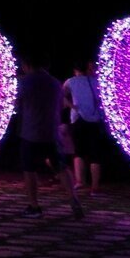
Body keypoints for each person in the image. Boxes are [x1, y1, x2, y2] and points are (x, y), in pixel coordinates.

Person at [17, 62, 83, 218]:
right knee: (61, 167)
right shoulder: (54, 82)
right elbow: (61, 105)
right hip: (51, 131)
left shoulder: (25, 82)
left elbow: (18, 104)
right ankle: (73, 199)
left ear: (27, 65)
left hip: (30, 132)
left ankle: (34, 206)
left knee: (29, 169)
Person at [64, 61, 109, 196]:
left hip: (78, 118)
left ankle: (80, 181)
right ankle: (95, 187)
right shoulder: (96, 82)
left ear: (75, 70)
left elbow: (61, 95)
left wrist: (72, 106)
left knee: (78, 151)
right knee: (95, 153)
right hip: (95, 119)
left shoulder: (71, 81)